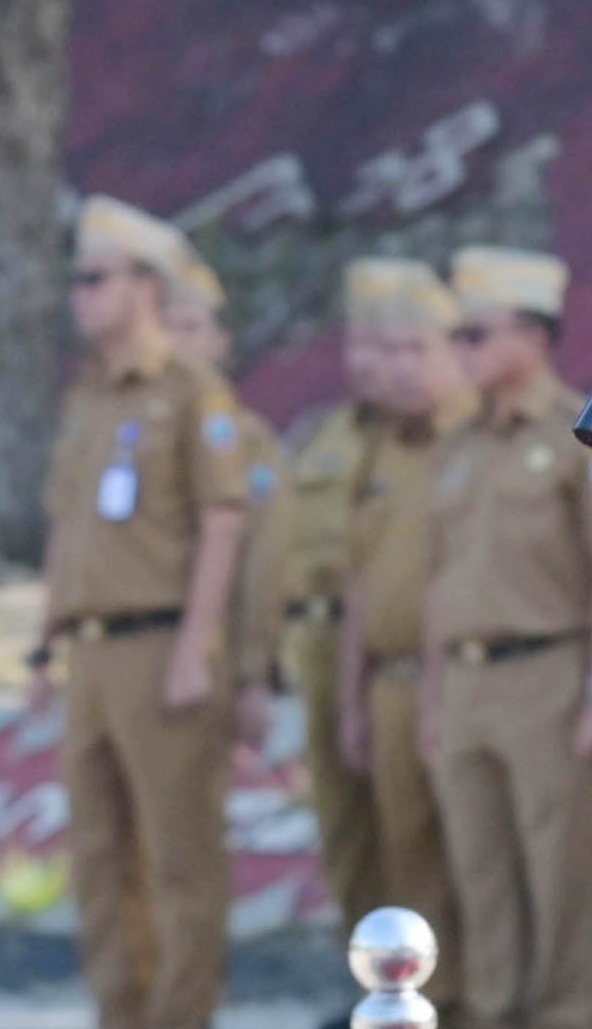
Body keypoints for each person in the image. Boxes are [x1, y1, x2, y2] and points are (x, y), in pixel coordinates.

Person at [36, 195, 255, 1029]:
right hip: (91, 651)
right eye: (79, 280)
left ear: (147, 288)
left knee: (178, 856)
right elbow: (68, 526)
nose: (81, 296)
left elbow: (222, 525)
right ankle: (120, 1012)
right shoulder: (88, 396)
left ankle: (182, 1015)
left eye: (98, 279)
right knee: (98, 857)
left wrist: (197, 649)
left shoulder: (193, 393)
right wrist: (42, 643)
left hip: (160, 642)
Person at [422, 244, 592, 1029]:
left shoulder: (585, 432)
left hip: (548, 672)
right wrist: (435, 694)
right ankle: (494, 1012)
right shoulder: (459, 445)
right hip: (466, 681)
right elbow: (440, 581)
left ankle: (568, 1015)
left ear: (533, 335)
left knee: (561, 872)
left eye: (477, 334)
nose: (462, 351)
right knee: (480, 873)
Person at [338, 256, 476, 1010]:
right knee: (408, 866)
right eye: (386, 350)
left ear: (458, 352)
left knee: (477, 866)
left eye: (417, 349)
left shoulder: (478, 441)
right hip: (389, 683)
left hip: (464, 682)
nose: (398, 368)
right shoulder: (380, 446)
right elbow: (361, 580)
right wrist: (352, 700)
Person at [276, 265, 399, 954]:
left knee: (409, 825)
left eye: (387, 345)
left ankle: (434, 980)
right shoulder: (324, 435)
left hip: (394, 643)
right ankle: (370, 970)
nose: (371, 363)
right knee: (342, 820)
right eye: (360, 344)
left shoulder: (438, 440)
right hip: (318, 639)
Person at [168, 250, 290, 752]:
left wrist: (251, 671)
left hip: (212, 656)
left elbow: (262, 556)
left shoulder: (243, 440)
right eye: (165, 327)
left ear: (221, 343)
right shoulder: (129, 434)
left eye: (192, 328)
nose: (176, 343)